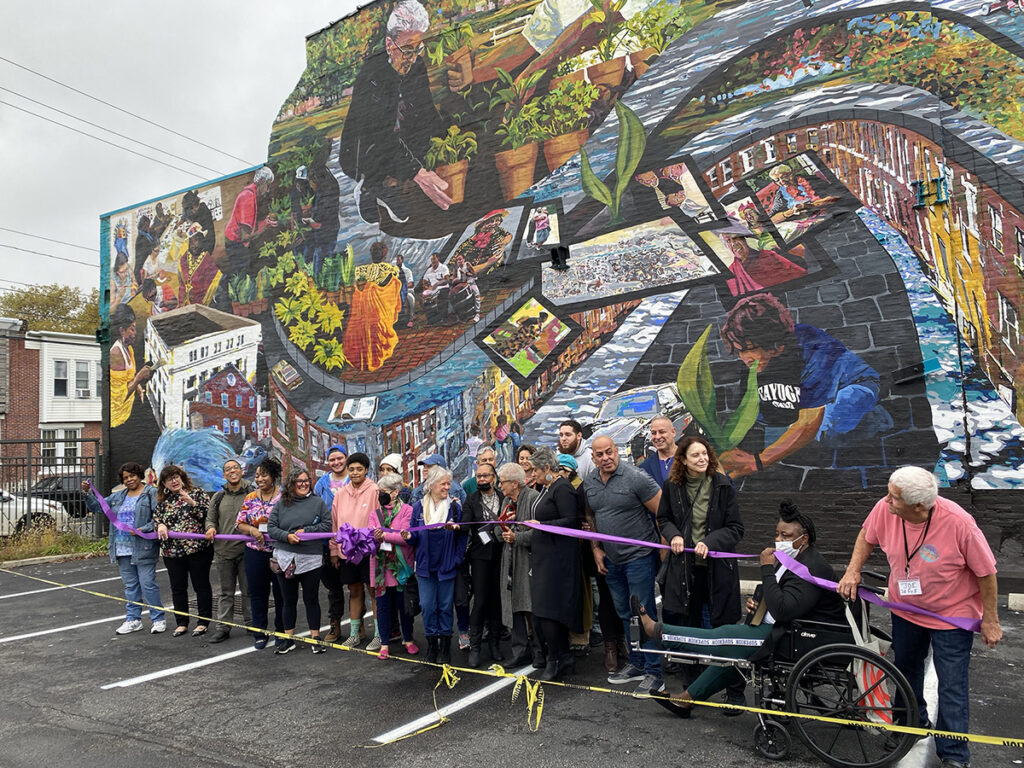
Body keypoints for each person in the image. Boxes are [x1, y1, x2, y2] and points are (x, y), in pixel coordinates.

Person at [837, 467, 1002, 768]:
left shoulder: (959, 524)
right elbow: (866, 535)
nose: (886, 500)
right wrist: (853, 569)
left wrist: (990, 620)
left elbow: (986, 573)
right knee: (906, 670)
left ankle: (954, 755)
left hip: (952, 616)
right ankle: (910, 728)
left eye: (894, 497)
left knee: (951, 684)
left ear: (919, 508)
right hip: (907, 609)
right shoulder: (885, 508)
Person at [636, 502, 847, 716]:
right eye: (777, 534)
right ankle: (687, 700)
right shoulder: (794, 558)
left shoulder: (810, 565)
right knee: (733, 650)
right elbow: (782, 599)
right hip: (790, 630)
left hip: (798, 638)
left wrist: (765, 568)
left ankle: (659, 632)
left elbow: (784, 610)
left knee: (722, 637)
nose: (779, 540)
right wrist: (760, 606)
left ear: (804, 539)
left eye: (786, 536)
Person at [718, 293, 890, 478]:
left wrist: (759, 461)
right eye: (740, 350)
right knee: (771, 427)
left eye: (750, 349)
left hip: (852, 386)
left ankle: (880, 417)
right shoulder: (756, 362)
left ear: (773, 343)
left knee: (827, 429)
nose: (745, 358)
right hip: (803, 399)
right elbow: (750, 414)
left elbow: (809, 423)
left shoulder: (815, 347)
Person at [338, 0, 451, 225]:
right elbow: (379, 135)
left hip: (397, 138)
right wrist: (417, 172)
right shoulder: (374, 74)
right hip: (364, 151)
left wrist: (445, 140)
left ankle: (391, 186)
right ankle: (371, 187)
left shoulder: (416, 65)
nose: (413, 57)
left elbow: (425, 109)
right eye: (407, 49)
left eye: (418, 48)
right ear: (390, 45)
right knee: (383, 151)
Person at [656, 435, 745, 708]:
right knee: (689, 630)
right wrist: (673, 536)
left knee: (726, 630)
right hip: (685, 571)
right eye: (695, 455)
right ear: (683, 459)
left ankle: (735, 692)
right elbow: (664, 518)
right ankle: (690, 692)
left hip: (719, 572)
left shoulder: (723, 485)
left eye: (705, 454)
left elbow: (735, 528)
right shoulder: (673, 486)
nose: (702, 459)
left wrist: (710, 542)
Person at [583, 435, 664, 696]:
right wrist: (596, 548)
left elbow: (662, 511)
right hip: (611, 560)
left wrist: (663, 550)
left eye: (610, 452)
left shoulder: (636, 477)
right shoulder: (590, 482)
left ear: (616, 451)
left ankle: (655, 672)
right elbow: (591, 515)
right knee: (624, 612)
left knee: (644, 611)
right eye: (600, 454)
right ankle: (637, 663)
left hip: (639, 556)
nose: (606, 458)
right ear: (593, 457)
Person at [84, 462, 165, 634]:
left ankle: (158, 619)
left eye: (132, 476)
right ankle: (133, 619)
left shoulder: (150, 493)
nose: (129, 480)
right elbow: (98, 507)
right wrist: (87, 493)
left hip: (143, 547)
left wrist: (144, 529)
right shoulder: (118, 496)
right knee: (130, 586)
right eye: (125, 478)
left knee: (147, 583)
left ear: (139, 475)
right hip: (121, 548)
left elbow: (160, 517)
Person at [523, 447, 582, 681]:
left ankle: (557, 658)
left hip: (558, 560)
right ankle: (559, 656)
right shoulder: (546, 488)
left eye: (535, 470)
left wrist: (541, 525)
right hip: (544, 557)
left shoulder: (563, 488)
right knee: (541, 610)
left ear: (547, 468)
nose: (533, 474)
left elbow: (571, 521)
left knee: (549, 611)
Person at [404, 465, 466, 664]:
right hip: (424, 565)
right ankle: (432, 645)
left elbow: (463, 536)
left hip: (447, 565)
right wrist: (408, 536)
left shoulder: (455, 507)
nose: (447, 487)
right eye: (443, 484)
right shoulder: (418, 507)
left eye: (449, 483)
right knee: (428, 606)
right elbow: (414, 534)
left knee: (446, 606)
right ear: (431, 485)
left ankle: (445, 647)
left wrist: (457, 558)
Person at [267, 469, 332, 655]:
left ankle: (315, 637)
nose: (303, 484)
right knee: (289, 600)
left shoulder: (318, 503)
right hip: (285, 556)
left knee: (311, 598)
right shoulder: (280, 504)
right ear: (291, 484)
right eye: (299, 481)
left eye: (306, 481)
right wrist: (287, 536)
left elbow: (327, 525)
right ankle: (289, 639)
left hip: (311, 558)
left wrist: (308, 531)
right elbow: (272, 528)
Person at [328, 452, 381, 650]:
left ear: (366, 470)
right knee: (354, 590)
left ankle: (378, 635)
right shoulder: (340, 494)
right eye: (352, 469)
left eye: (360, 469)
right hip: (347, 553)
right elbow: (334, 524)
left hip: (370, 552)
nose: (355, 473)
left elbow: (379, 522)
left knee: (374, 591)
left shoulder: (375, 490)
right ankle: (354, 634)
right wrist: (334, 550)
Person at [153, 465, 213, 638]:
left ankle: (203, 621)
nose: (174, 481)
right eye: (169, 479)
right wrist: (161, 524)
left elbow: (208, 516)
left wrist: (192, 503)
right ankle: (182, 622)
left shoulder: (198, 493)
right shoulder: (164, 502)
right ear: (164, 484)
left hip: (197, 549)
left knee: (200, 585)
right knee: (178, 588)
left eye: (176, 477)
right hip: (172, 551)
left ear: (182, 477)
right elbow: (156, 520)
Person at [235, 458, 285, 650]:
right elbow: (240, 523)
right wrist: (252, 530)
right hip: (255, 551)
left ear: (273, 475)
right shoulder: (250, 498)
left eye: (263, 474)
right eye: (257, 475)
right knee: (257, 593)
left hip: (279, 552)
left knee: (281, 594)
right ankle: (260, 632)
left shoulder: (283, 496)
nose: (259, 478)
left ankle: (281, 631)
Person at [203, 458, 253, 643]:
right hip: (223, 552)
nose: (232, 471)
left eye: (236, 468)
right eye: (228, 469)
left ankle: (252, 623)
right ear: (224, 475)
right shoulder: (218, 497)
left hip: (247, 551)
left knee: (249, 590)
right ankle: (223, 627)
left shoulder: (252, 493)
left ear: (241, 471)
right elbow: (210, 519)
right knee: (225, 592)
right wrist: (210, 528)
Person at [370, 472, 419, 659]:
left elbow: (406, 538)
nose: (381, 495)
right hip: (381, 568)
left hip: (401, 567)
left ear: (396, 492)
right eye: (379, 492)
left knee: (403, 606)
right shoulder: (374, 514)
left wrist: (384, 535)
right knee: (382, 607)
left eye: (385, 491)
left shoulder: (408, 511)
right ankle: (384, 644)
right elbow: (370, 539)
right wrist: (377, 538)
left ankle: (408, 639)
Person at [498, 462, 542, 667]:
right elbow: (498, 533)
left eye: (502, 481)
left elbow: (540, 532)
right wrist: (503, 525)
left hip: (528, 559)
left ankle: (539, 650)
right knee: (513, 604)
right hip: (509, 559)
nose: (499, 485)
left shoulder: (533, 498)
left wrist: (517, 537)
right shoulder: (506, 501)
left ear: (515, 483)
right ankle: (519, 650)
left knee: (530, 605)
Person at [462, 462, 505, 667]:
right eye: (478, 476)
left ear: (494, 478)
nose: (481, 480)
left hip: (501, 554)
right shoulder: (471, 500)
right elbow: (466, 524)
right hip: (480, 556)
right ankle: (475, 646)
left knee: (497, 600)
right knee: (480, 601)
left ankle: (495, 645)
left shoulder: (504, 498)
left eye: (485, 476)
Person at [222, 166, 277, 303]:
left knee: (241, 270)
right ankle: (225, 296)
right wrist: (264, 228)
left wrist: (265, 223)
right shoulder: (248, 197)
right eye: (267, 186)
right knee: (240, 274)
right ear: (261, 182)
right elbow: (245, 237)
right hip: (234, 241)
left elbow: (251, 227)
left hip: (236, 240)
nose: (267, 190)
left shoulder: (251, 194)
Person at [314, 444, 350, 643]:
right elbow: (316, 510)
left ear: (346, 458)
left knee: (355, 586)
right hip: (326, 542)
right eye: (332, 460)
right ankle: (335, 625)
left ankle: (358, 625)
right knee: (333, 587)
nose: (336, 463)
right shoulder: (322, 483)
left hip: (353, 541)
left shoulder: (353, 480)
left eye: (339, 458)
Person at [109, 304, 153, 429]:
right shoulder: (116, 354)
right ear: (122, 331)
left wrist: (139, 388)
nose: (135, 333)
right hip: (118, 419)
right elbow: (119, 398)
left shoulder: (129, 349)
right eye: (132, 329)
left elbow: (128, 378)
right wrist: (139, 377)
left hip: (128, 411)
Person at [640, 416, 677, 486]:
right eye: (654, 433)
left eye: (662, 432)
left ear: (673, 432)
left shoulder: (689, 458)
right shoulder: (645, 468)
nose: (657, 437)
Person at [395, 253, 415, 328]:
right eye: (396, 260)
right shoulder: (394, 271)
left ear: (402, 260)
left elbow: (411, 283)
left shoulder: (407, 271)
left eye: (398, 260)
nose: (397, 261)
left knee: (411, 299)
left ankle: (411, 319)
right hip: (396, 292)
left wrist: (402, 287)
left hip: (407, 290)